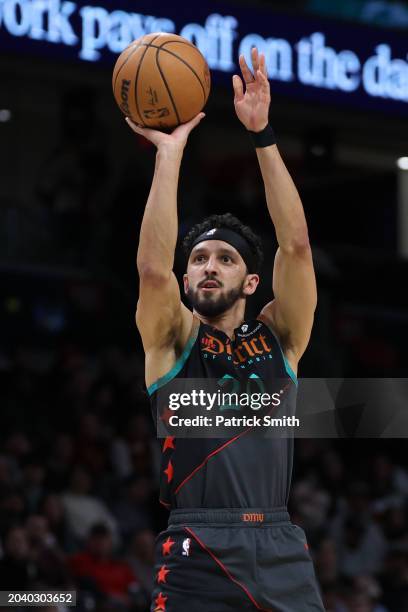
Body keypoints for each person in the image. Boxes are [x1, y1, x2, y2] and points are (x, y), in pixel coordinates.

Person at [127, 48, 323, 611]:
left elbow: (298, 246)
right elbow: (149, 269)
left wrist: (261, 136)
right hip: (199, 545)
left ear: (252, 281)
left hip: (281, 545)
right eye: (199, 258)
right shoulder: (172, 341)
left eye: (224, 258)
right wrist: (170, 152)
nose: (208, 266)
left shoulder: (280, 338)